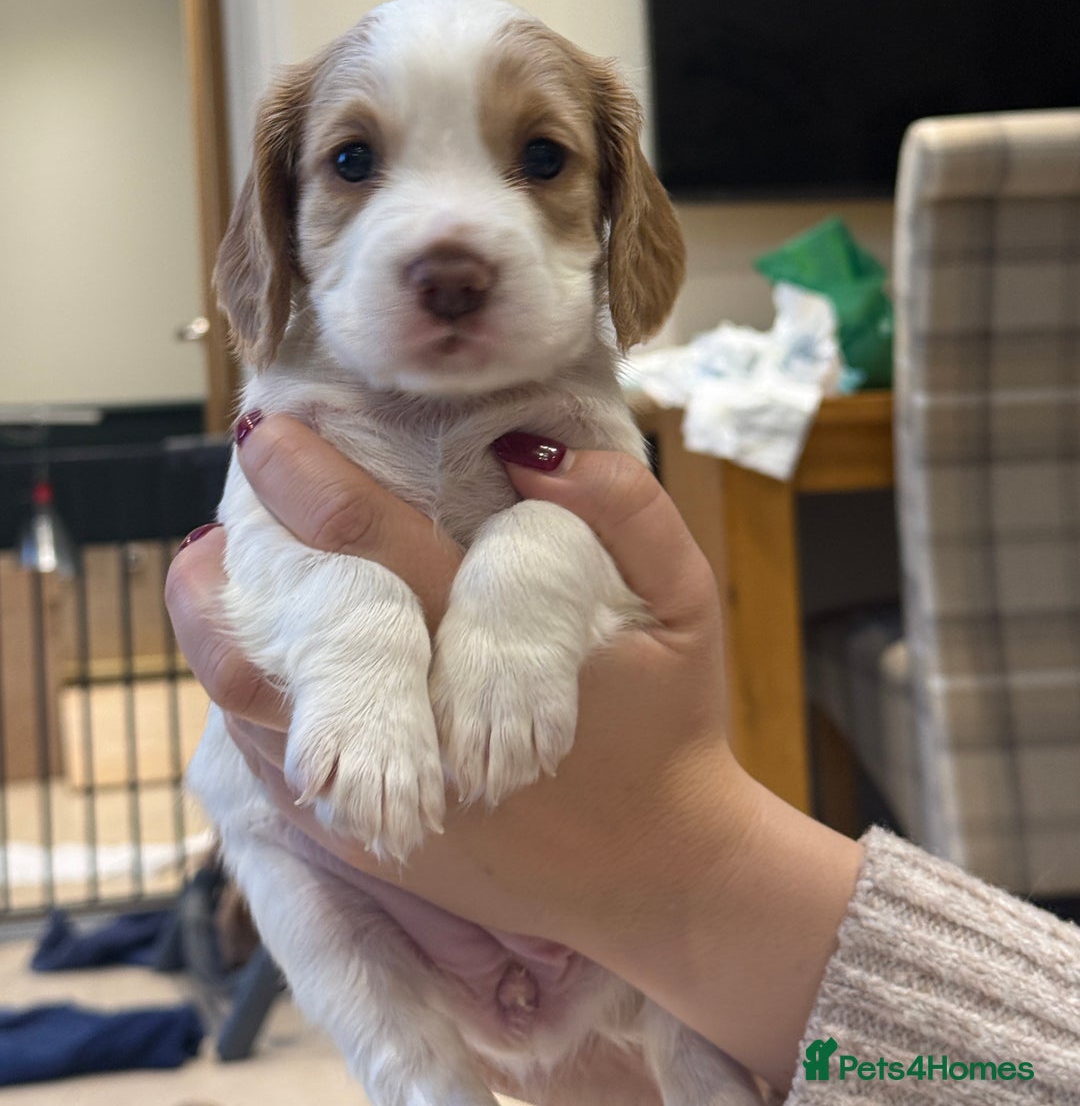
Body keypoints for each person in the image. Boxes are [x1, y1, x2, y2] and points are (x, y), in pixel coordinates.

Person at [166, 414, 1080, 1104]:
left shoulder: (568, 401)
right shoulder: (299, 399)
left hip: (624, 965)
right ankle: (417, 1079)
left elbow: (594, 577)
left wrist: (676, 859)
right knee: (255, 827)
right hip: (359, 901)